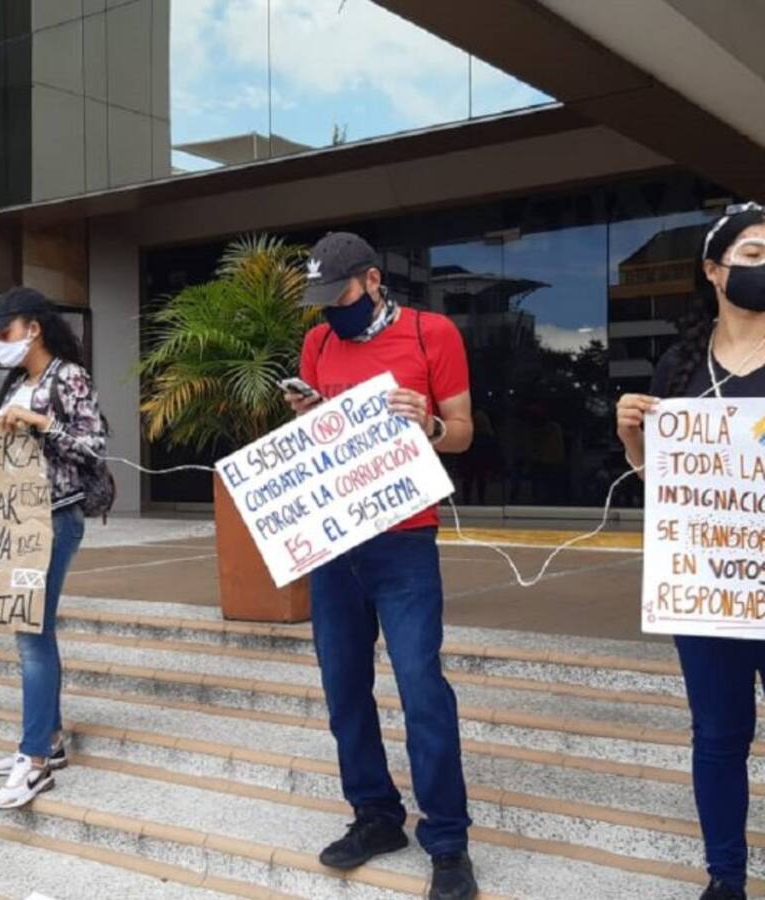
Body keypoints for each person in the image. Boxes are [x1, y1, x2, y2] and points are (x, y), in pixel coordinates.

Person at [289, 233, 477, 900]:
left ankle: (448, 840)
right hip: (336, 541)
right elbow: (321, 440)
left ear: (372, 281)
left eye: (337, 297)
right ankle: (375, 813)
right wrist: (309, 416)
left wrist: (427, 426)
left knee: (421, 684)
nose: (328, 312)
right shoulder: (317, 345)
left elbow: (463, 431)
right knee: (343, 683)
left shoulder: (433, 334)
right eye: (319, 301)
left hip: (404, 539)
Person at [617, 202, 765, 900]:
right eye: (753, 255)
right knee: (717, 735)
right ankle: (726, 878)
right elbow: (665, 486)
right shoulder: (680, 365)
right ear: (714, 270)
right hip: (709, 584)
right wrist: (634, 440)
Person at [0, 286, 106, 810]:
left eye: (3, 333)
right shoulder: (19, 381)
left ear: (32, 328)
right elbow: (6, 442)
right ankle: (47, 741)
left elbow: (94, 447)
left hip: (55, 519)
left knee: (31, 631)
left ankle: (34, 759)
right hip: (21, 520)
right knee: (32, 628)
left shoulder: (68, 378)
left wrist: (42, 422)